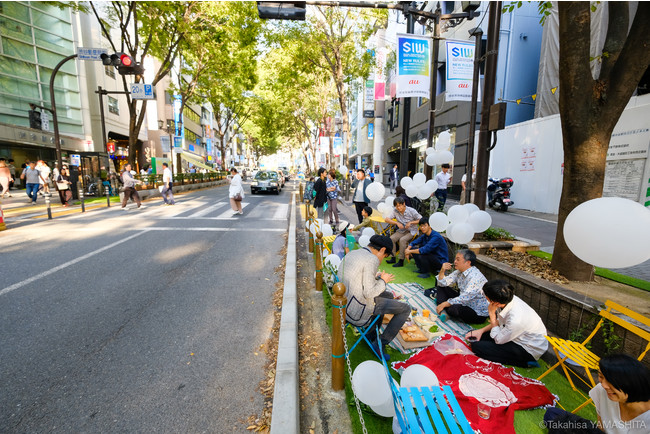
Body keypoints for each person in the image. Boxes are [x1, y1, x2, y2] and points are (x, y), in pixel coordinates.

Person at [338, 234, 410, 359]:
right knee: (405, 309)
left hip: (344, 304)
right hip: (357, 310)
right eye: (385, 256)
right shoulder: (372, 259)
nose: (382, 260)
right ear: (382, 250)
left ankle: (371, 334)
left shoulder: (354, 252)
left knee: (387, 295)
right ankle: (380, 343)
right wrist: (383, 281)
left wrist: (376, 278)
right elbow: (369, 293)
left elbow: (357, 278)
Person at [544, 354, 650, 434]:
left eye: (610, 381)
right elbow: (601, 428)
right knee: (552, 414)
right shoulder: (603, 391)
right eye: (601, 376)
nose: (604, 385)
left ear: (631, 384)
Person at [465, 279, 548, 367]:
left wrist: (492, 315)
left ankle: (525, 363)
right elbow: (501, 322)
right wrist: (481, 331)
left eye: (485, 295)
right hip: (513, 335)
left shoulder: (516, 320)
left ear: (495, 302)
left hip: (527, 348)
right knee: (477, 336)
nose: (484, 296)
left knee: (477, 347)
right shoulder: (506, 299)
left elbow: (498, 340)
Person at [433, 250, 489, 324]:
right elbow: (442, 283)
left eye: (458, 259)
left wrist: (445, 303)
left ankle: (444, 308)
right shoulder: (459, 271)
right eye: (455, 259)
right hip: (464, 302)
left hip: (477, 312)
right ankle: (444, 311)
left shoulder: (475, 277)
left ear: (468, 262)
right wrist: (442, 270)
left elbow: (464, 298)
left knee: (454, 308)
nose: (455, 261)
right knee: (441, 288)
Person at [385, 196, 422, 268]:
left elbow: (421, 219)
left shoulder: (411, 210)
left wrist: (411, 223)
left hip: (412, 231)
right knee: (391, 238)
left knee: (402, 240)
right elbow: (386, 219)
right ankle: (393, 257)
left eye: (399, 205)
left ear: (404, 204)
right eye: (396, 206)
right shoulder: (395, 211)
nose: (398, 208)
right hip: (402, 230)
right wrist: (397, 223)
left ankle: (401, 260)